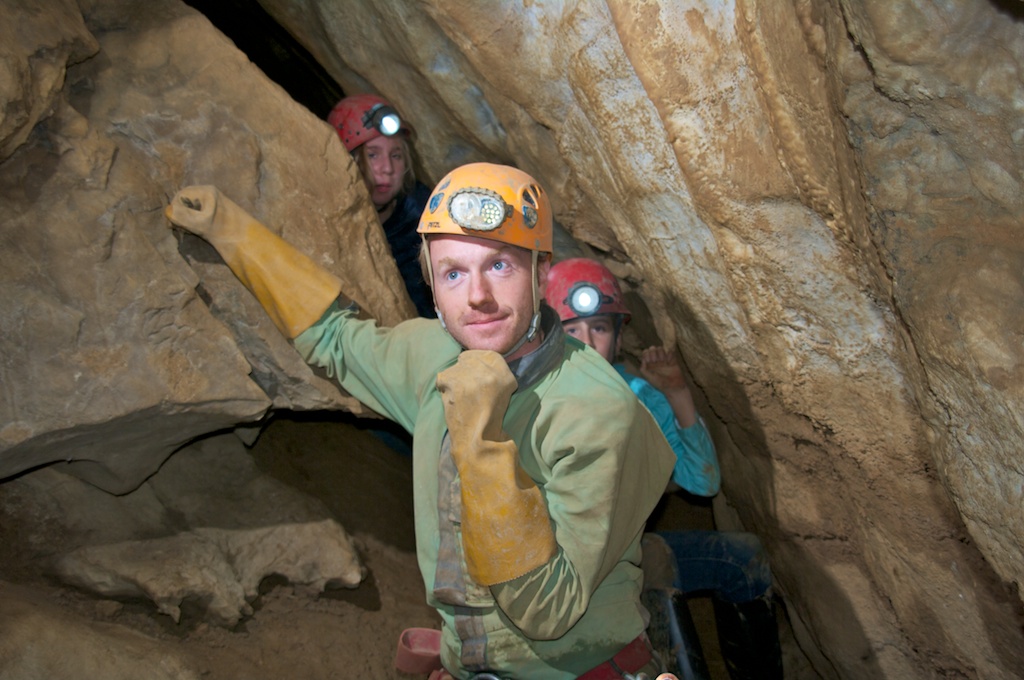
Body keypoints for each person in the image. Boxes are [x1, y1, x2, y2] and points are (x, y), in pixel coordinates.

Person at [165, 163, 677, 678]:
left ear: (541, 272)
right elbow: (336, 338)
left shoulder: (596, 411)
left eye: (500, 265)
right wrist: (230, 229)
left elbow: (547, 609)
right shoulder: (435, 353)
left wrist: (478, 439)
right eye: (453, 273)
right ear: (432, 288)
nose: (477, 296)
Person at [546, 258, 784, 680]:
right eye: (572, 330)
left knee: (742, 558)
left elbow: (703, 483)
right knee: (651, 576)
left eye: (599, 328)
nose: (588, 342)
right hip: (570, 568)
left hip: (634, 550)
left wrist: (676, 393)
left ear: (618, 336)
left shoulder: (640, 397)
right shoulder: (536, 402)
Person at [328, 93, 434, 318]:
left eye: (396, 155)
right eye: (372, 155)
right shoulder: (329, 225)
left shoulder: (425, 214)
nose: (387, 168)